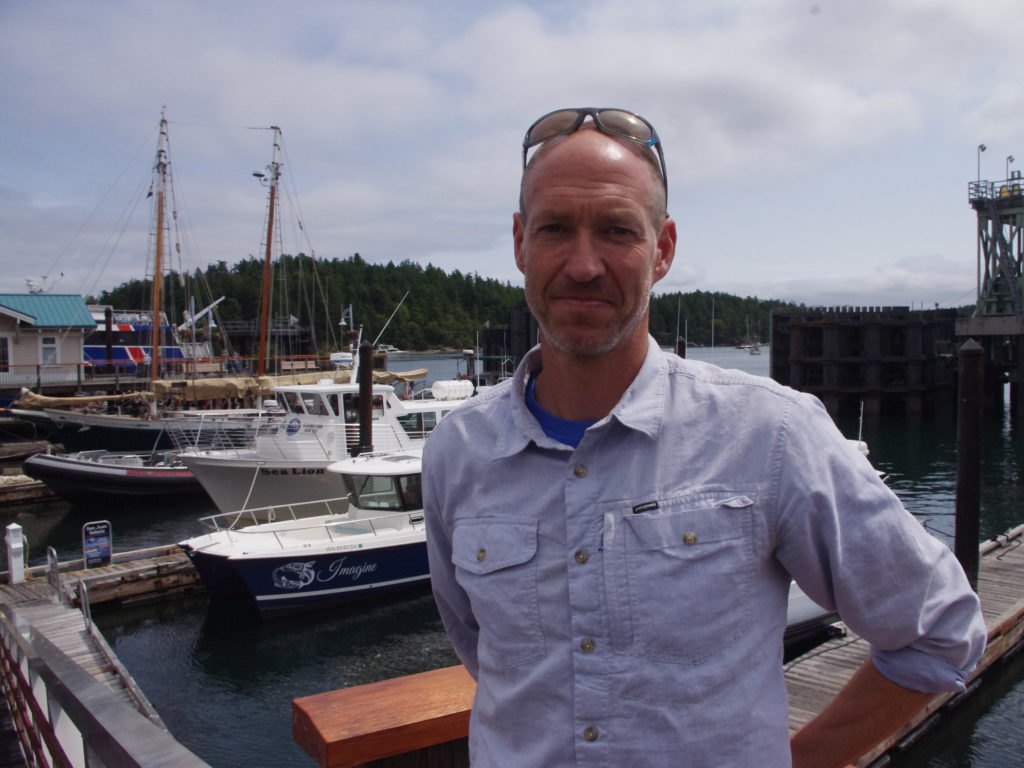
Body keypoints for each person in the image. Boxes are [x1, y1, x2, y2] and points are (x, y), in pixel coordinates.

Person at [423, 107, 986, 768]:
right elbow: (483, 654)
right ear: (520, 243)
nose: (583, 264)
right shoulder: (456, 452)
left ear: (662, 249)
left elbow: (938, 630)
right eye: (555, 228)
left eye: (615, 230)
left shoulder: (770, 434)